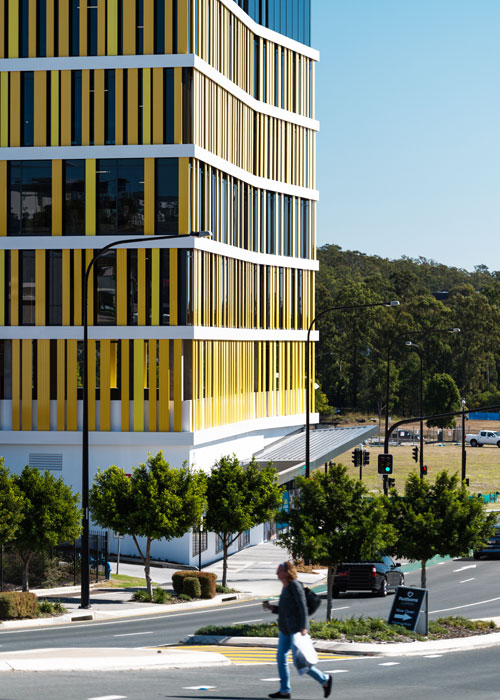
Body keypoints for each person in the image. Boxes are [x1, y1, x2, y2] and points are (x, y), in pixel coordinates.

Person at [263, 561, 332, 699]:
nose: (277, 573)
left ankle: (324, 680)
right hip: (285, 629)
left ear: (286, 572)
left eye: (279, 570)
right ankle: (284, 691)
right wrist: (272, 608)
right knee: (281, 658)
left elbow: (302, 606)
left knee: (300, 662)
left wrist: (304, 627)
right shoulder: (285, 587)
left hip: (295, 630)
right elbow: (286, 609)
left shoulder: (294, 585)